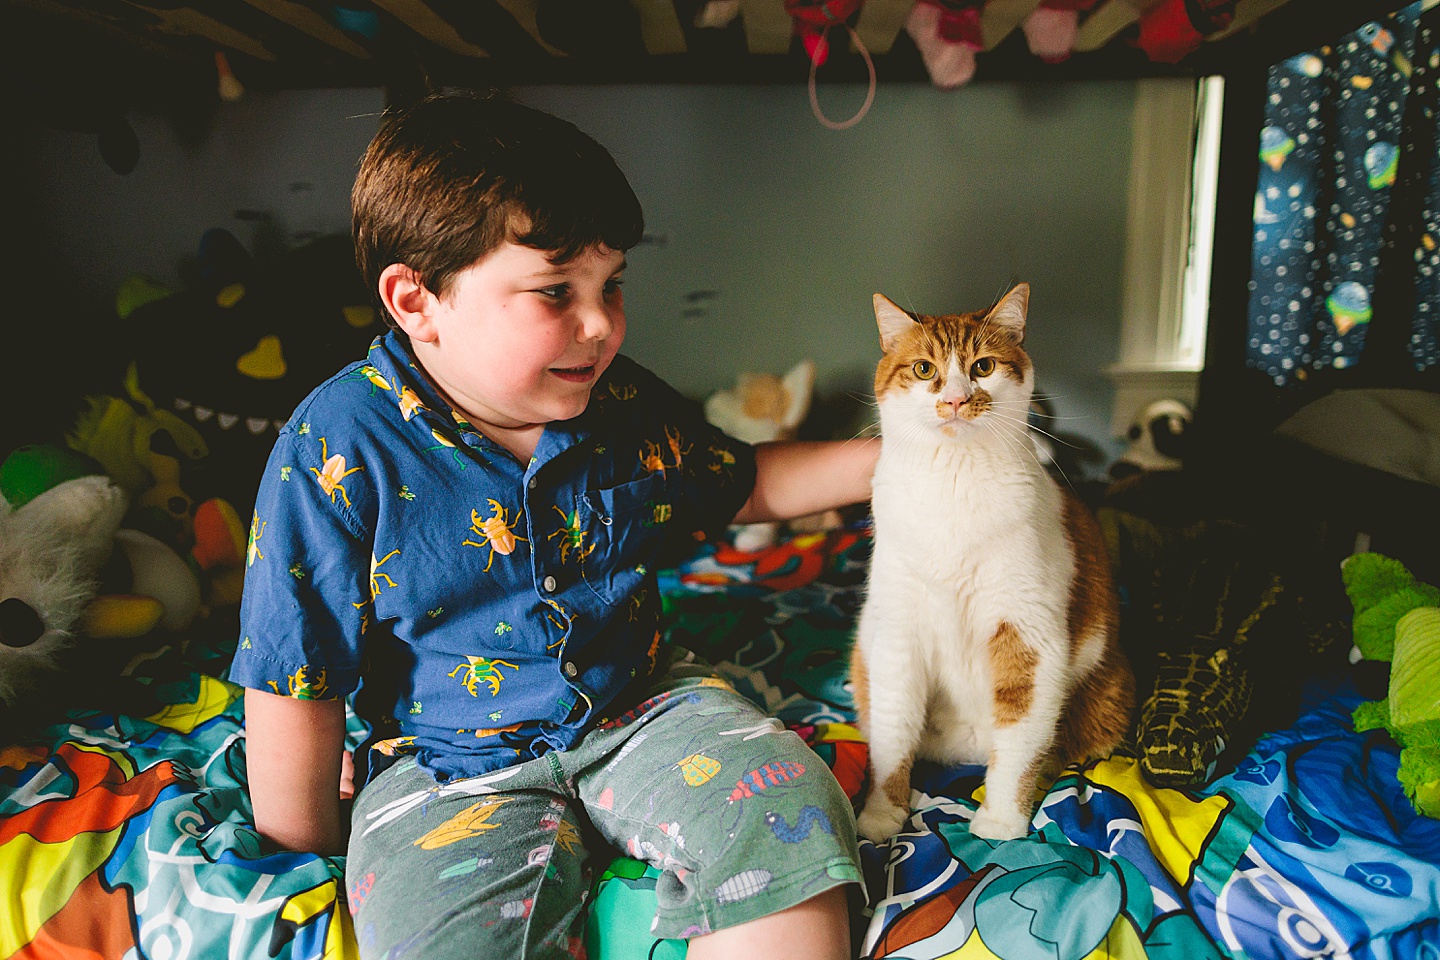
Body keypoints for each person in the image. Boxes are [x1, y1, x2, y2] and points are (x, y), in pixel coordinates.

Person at [233, 90, 879, 960]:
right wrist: (304, 846)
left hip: (643, 705)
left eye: (612, 285)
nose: (601, 325)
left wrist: (903, 459)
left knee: (790, 815)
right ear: (415, 300)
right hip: (445, 764)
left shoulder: (618, 400)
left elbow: (739, 482)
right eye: (554, 293)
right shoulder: (335, 444)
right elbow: (293, 669)